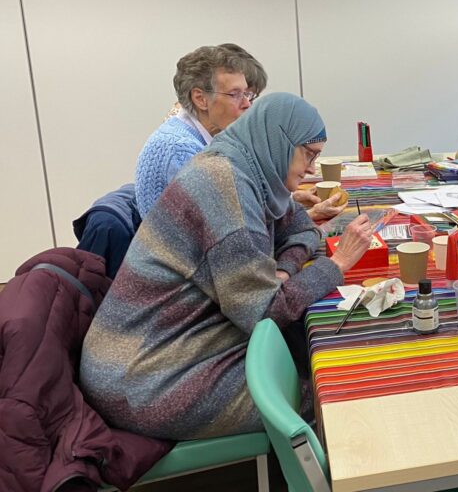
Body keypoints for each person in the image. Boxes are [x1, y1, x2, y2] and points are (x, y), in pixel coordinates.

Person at [80, 93, 373, 440]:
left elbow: (302, 228)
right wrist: (336, 264)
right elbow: (267, 312)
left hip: (156, 349)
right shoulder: (224, 189)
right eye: (308, 154)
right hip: (145, 378)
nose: (311, 168)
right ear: (277, 141)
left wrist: (282, 271)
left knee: (310, 352)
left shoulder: (243, 166)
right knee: (335, 396)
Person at [135, 44, 343, 222]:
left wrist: (290, 202)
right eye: (235, 95)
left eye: (248, 95)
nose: (247, 105)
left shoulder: (205, 136)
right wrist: (308, 215)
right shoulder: (181, 150)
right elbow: (229, 230)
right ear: (200, 99)